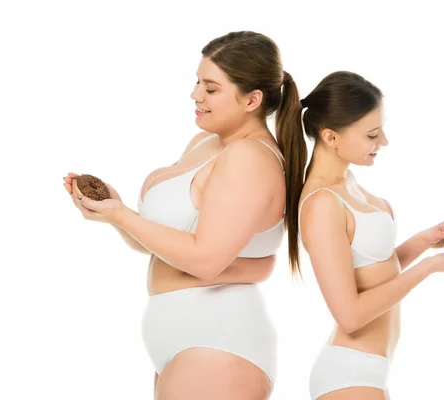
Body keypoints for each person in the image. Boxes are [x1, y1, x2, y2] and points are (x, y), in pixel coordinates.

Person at [63, 31, 301, 399]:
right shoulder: (207, 142)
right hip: (187, 342)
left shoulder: (249, 158)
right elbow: (168, 244)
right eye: (197, 83)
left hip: (218, 341)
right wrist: (115, 213)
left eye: (211, 88)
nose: (195, 95)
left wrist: (124, 216)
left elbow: (206, 260)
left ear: (252, 99)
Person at [277, 70, 444, 399]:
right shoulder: (321, 204)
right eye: (373, 134)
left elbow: (372, 274)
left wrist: (424, 242)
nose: (384, 142)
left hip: (370, 372)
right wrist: (428, 268)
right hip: (349, 375)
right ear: (331, 137)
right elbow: (350, 315)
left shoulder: (348, 185)